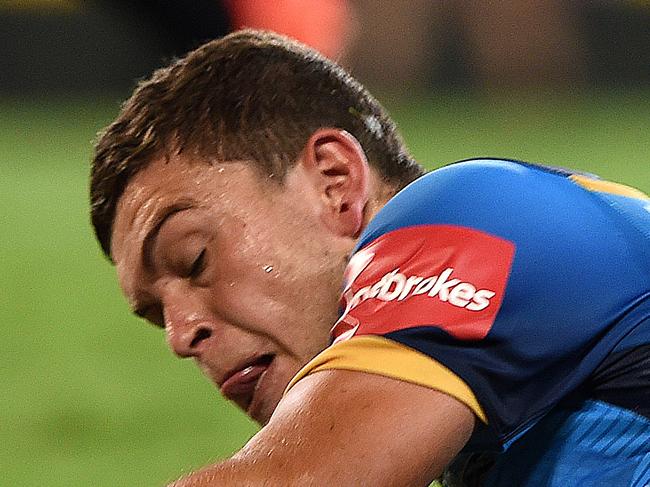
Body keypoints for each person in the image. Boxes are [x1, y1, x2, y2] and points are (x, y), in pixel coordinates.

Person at [90, 30, 650, 486]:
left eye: (195, 259)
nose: (179, 335)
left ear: (335, 182)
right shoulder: (476, 412)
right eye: (155, 314)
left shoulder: (475, 212)